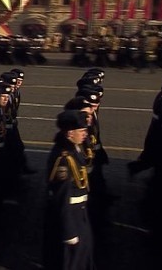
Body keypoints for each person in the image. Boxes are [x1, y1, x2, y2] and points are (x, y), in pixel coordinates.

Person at [44, 110, 94, 270]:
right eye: (81, 131)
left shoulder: (75, 149)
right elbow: (61, 197)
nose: (85, 134)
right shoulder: (65, 159)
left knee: (82, 256)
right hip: (71, 216)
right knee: (71, 261)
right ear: (69, 133)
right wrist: (69, 231)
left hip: (79, 213)